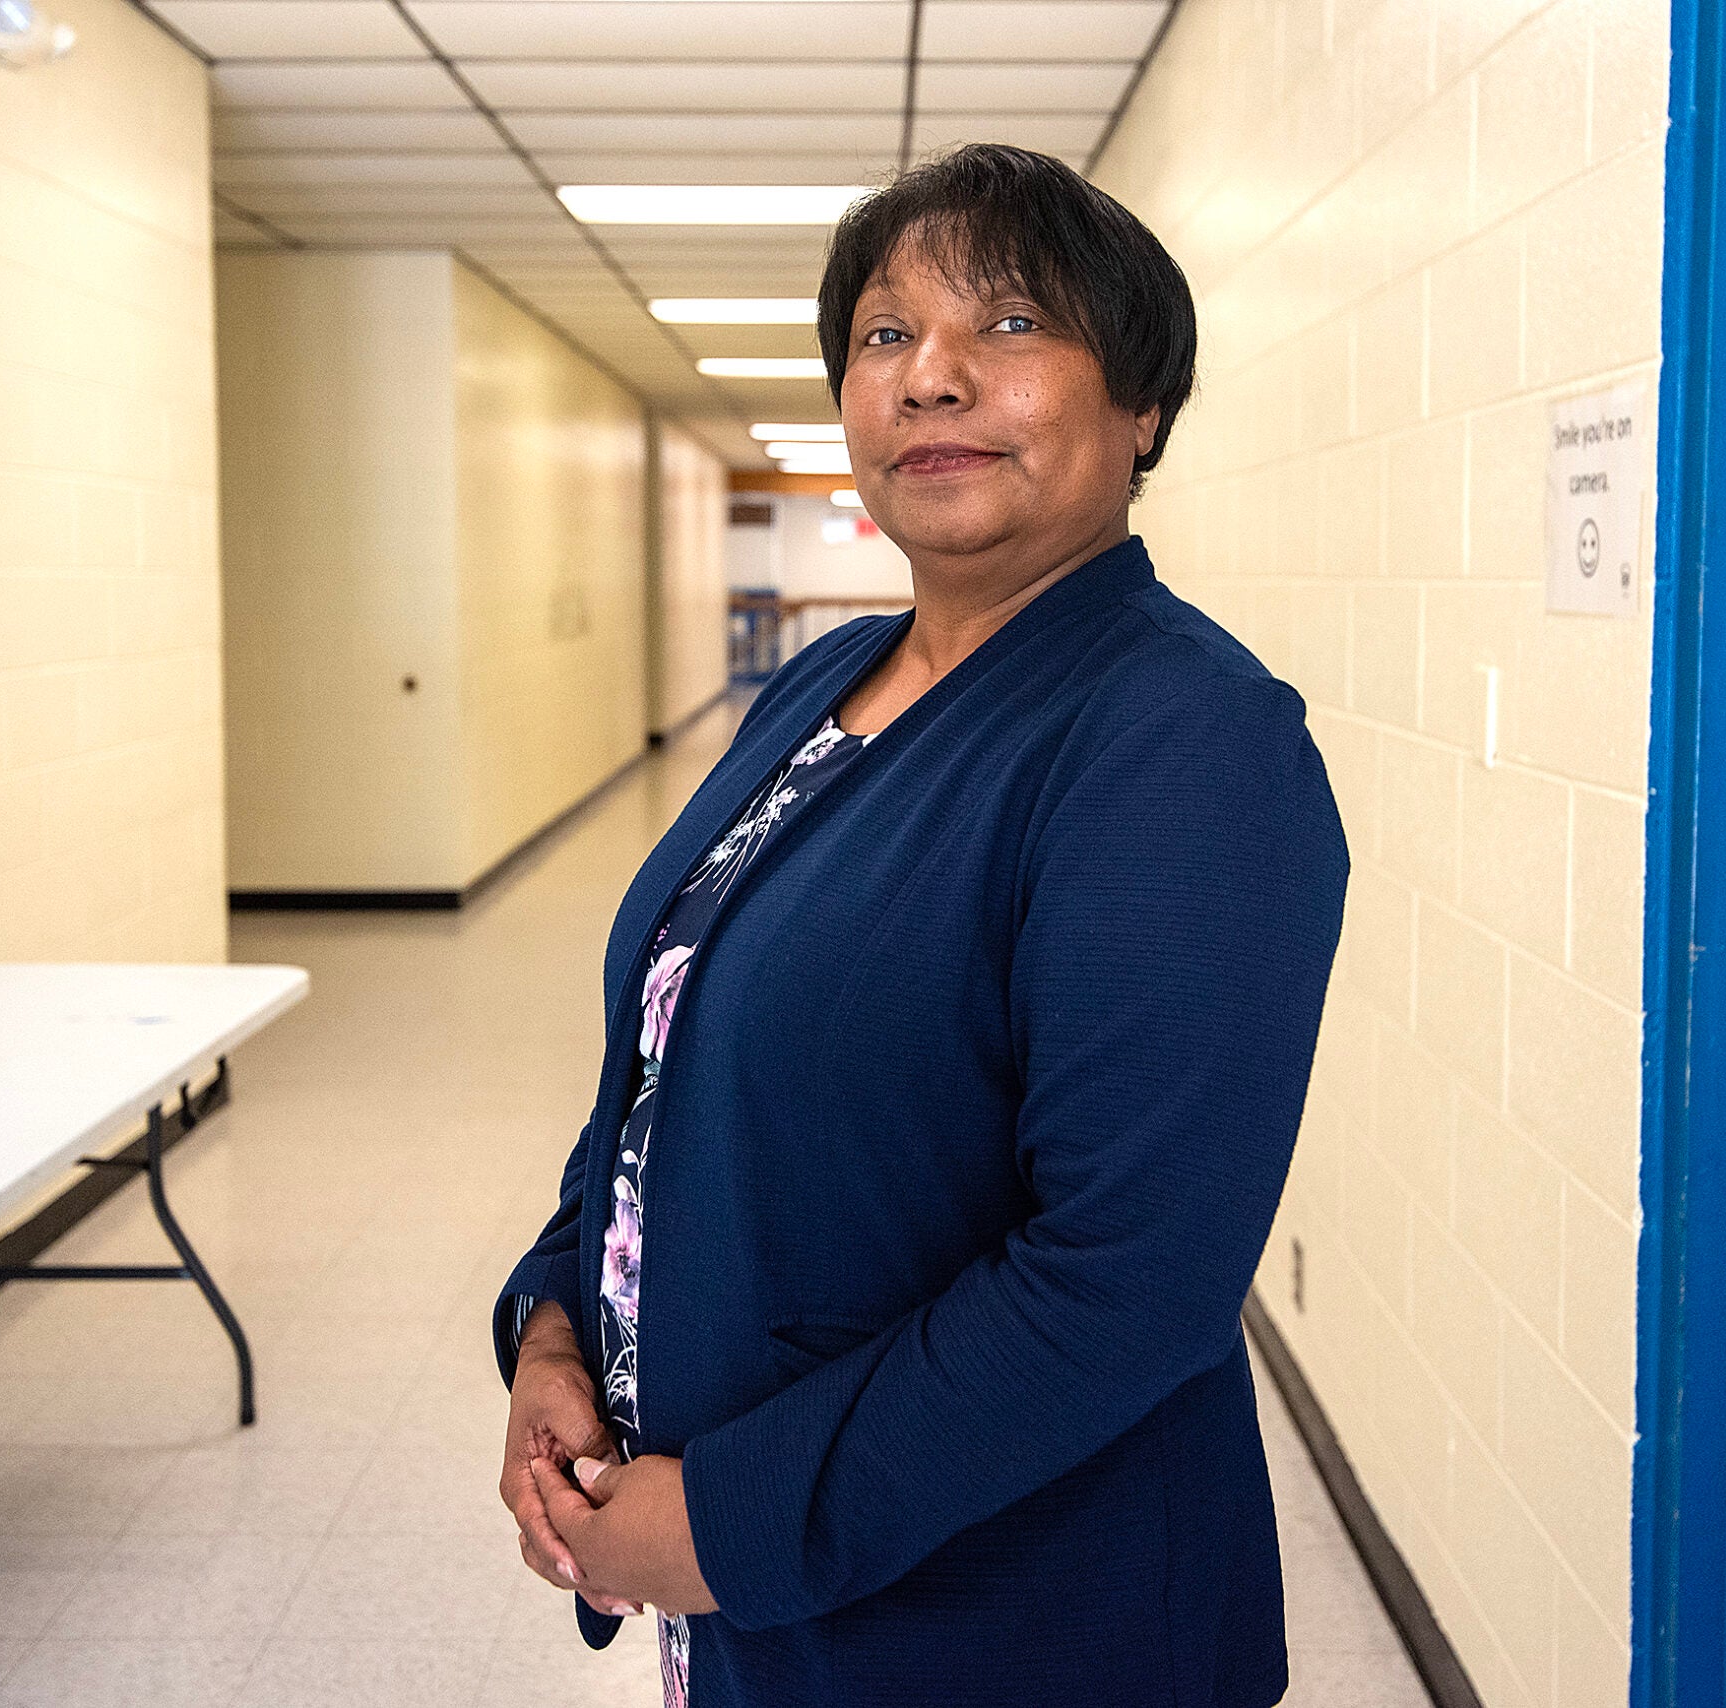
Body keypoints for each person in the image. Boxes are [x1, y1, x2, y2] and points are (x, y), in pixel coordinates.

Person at [491, 142, 1350, 1707]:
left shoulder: (1183, 739)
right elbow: (667, 1058)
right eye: (887, 337)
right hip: (772, 1595)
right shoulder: (826, 686)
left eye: (1010, 328)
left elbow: (1123, 1277)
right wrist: (554, 1323)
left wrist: (732, 1523)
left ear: (1141, 407)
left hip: (1009, 1623)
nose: (930, 380)